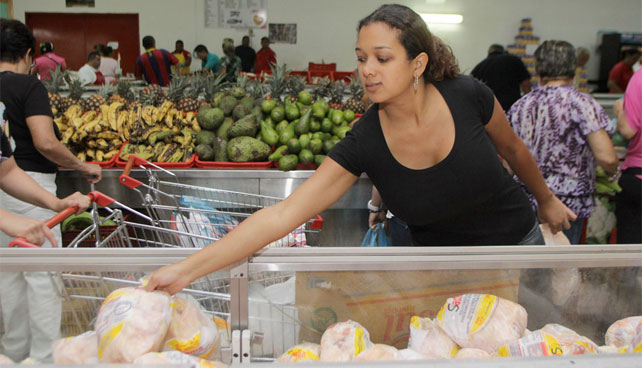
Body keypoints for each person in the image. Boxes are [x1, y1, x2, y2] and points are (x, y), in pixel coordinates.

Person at [143, 4, 574, 296]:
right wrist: (185, 270)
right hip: (445, 276)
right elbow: (280, 216)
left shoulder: (468, 95)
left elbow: (515, 151)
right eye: (361, 57)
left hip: (518, 249)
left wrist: (548, 200)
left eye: (382, 58)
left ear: (417, 64)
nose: (366, 70)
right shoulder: (365, 140)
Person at [0, 19, 100, 362]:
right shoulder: (29, 87)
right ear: (28, 55)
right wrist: (80, 166)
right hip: (33, 187)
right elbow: (45, 141)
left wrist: (55, 201)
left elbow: (7, 169)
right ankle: (43, 358)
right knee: (41, 277)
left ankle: (14, 354)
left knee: (9, 275)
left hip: (13, 188)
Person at [507, 40, 619, 244]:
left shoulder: (520, 106)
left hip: (526, 200)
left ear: (538, 69)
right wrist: (611, 171)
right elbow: (607, 157)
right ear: (573, 69)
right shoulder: (583, 104)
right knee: (561, 269)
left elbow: (506, 162)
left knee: (529, 269)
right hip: (567, 205)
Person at [614, 69, 642, 244]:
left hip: (638, 176)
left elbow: (628, 129)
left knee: (633, 259)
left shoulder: (639, 79)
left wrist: (619, 112)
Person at [471, 44, 532, 111]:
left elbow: (472, 93)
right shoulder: (514, 60)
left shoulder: (479, 67)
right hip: (512, 107)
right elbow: (526, 84)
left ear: (488, 53)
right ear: (503, 51)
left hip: (490, 111)